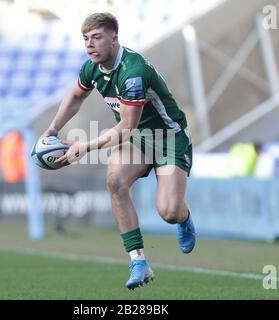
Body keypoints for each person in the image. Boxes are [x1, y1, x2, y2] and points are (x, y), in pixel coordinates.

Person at [40, 12, 196, 290]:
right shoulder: (92, 68)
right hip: (138, 141)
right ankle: (138, 261)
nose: (90, 45)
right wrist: (53, 128)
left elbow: (125, 127)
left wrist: (84, 147)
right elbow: (76, 96)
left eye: (96, 38)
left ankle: (184, 218)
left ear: (114, 39)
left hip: (168, 138)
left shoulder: (133, 73)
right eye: (86, 39)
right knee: (115, 180)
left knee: (169, 212)